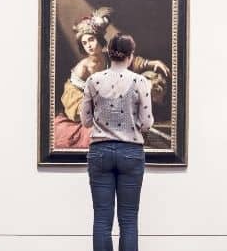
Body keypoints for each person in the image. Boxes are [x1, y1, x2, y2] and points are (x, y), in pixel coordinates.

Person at [80, 34, 154, 251]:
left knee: (102, 220)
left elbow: (86, 121)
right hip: (131, 153)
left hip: (99, 152)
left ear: (109, 53)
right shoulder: (140, 81)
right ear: (131, 55)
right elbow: (146, 123)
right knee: (129, 220)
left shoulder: (93, 80)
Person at [53, 8, 169, 148]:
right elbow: (76, 104)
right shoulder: (82, 69)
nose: (89, 45)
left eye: (91, 40)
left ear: (99, 39)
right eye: (84, 43)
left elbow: (130, 63)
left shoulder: (109, 56)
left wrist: (152, 63)